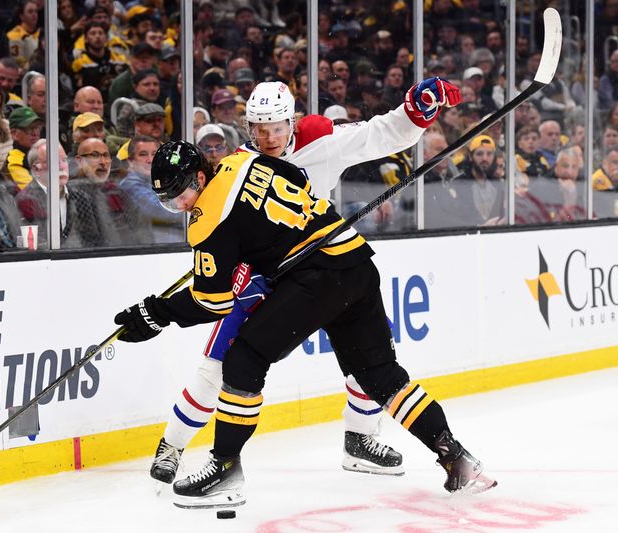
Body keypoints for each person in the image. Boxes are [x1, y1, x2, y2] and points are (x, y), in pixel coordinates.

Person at [113, 139, 495, 508]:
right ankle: (458, 460)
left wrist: (155, 313)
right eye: (169, 200)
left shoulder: (207, 220)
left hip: (318, 277)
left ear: (199, 177)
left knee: (242, 361)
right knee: (380, 375)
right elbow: (298, 181)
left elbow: (212, 302)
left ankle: (225, 470)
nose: (180, 205)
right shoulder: (242, 160)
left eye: (181, 194)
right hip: (355, 259)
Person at [141, 78, 464, 486]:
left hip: (315, 265)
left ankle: (360, 438)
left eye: (277, 127)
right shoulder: (240, 160)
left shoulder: (319, 139)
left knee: (362, 357)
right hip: (258, 275)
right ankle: (173, 444)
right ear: (248, 126)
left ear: (292, 122)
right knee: (219, 363)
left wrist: (415, 113)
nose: (269, 137)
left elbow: (377, 135)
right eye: (260, 128)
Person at [117, 135, 183, 244]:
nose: (150, 160)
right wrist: (192, 207)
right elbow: (162, 210)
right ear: (130, 161)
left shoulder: (159, 182)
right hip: (152, 252)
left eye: (154, 154)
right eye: (143, 154)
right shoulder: (129, 185)